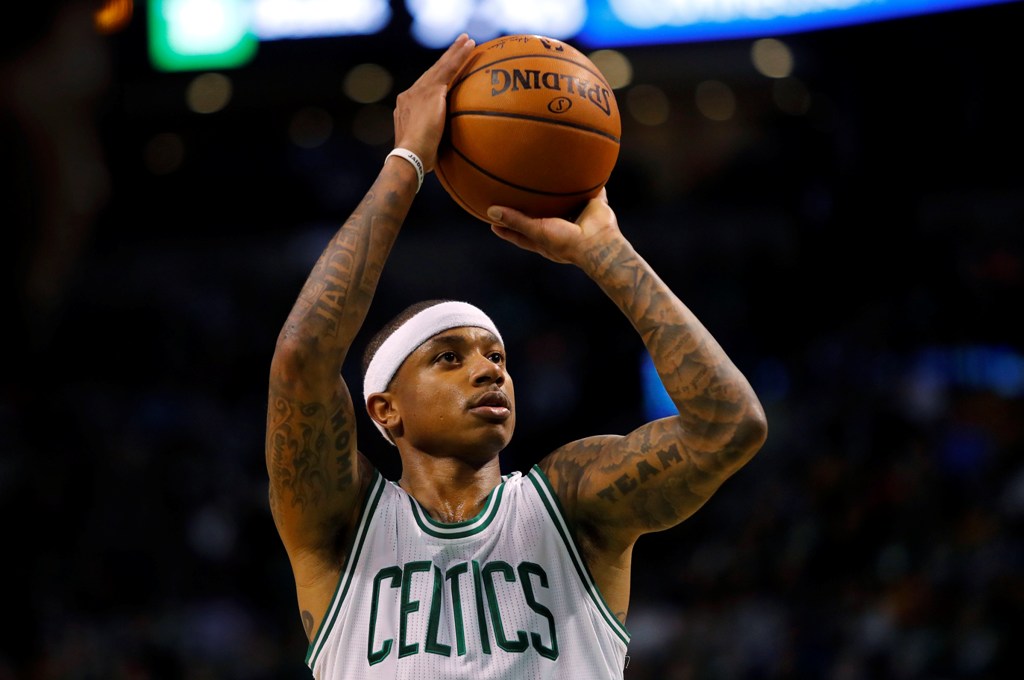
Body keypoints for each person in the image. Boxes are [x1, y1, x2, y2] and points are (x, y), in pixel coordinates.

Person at [265, 33, 768, 679]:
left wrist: (605, 255)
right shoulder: (342, 528)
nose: (488, 369)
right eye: (448, 358)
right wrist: (407, 160)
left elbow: (732, 426)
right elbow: (302, 360)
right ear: (385, 409)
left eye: (497, 356)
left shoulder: (570, 502)